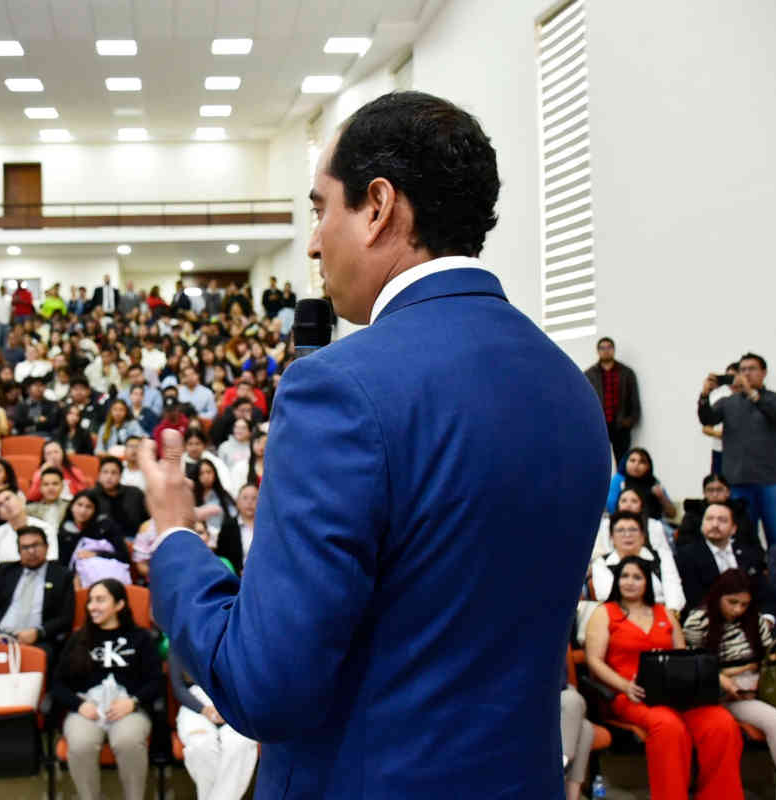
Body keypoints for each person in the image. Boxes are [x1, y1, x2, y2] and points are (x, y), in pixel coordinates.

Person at [141, 91, 611, 798]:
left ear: (378, 206)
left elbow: (266, 687)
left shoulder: (339, 390)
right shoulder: (570, 386)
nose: (310, 240)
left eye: (320, 207)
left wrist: (177, 541)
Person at [585, 557, 743, 800]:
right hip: (632, 695)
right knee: (669, 727)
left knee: (721, 724)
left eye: (637, 577)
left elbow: (684, 656)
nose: (630, 582)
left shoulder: (664, 613)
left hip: (676, 693)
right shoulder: (604, 613)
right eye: (625, 576)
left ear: (648, 582)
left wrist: (717, 679)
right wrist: (624, 686)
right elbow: (594, 662)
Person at [683, 569, 776, 800]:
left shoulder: (754, 619)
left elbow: (768, 658)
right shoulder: (698, 620)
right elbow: (692, 664)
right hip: (730, 693)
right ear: (718, 596)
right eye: (732, 602)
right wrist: (737, 672)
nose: (738, 609)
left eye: (744, 604)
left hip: (768, 688)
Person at [51, 579, 162, 800]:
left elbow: (155, 681)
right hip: (86, 707)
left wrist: (133, 702)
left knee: (127, 741)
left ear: (119, 605)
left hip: (129, 707)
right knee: (81, 744)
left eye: (100, 600)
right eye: (91, 600)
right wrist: (79, 705)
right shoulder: (78, 638)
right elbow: (57, 684)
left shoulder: (141, 638)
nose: (92, 605)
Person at [699, 353, 776, 548]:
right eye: (742, 370)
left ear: (764, 373)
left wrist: (752, 394)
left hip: (772, 482)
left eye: (752, 369)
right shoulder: (728, 402)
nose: (746, 374)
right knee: (742, 541)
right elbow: (707, 419)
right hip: (738, 482)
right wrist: (705, 395)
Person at [0, 526, 74, 666]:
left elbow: (66, 617)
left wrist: (38, 633)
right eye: (25, 547)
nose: (31, 551)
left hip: (38, 640)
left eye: (36, 545)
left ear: (47, 547)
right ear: (19, 552)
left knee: (45, 656)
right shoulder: (6, 571)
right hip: (0, 635)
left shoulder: (62, 575)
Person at [170, 648, 258, 800]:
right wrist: (204, 710)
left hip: (232, 703)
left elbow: (247, 681)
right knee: (201, 746)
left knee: (240, 743)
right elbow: (178, 688)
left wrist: (227, 707)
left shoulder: (235, 639)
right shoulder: (179, 640)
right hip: (195, 706)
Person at [676, 500, 772, 620]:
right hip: (709, 621)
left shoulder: (750, 554)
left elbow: (764, 591)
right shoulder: (686, 555)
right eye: (709, 519)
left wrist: (768, 618)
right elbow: (694, 599)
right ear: (702, 525)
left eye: (722, 520)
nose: (715, 524)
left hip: (752, 619)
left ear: (733, 529)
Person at [588, 510, 685, 615]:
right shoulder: (602, 562)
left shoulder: (661, 556)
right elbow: (605, 594)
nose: (627, 535)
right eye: (620, 530)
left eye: (633, 530)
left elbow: (673, 589)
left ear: (643, 535)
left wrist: (669, 615)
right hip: (619, 617)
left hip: (662, 615)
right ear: (612, 537)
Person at [584, 337, 641, 465]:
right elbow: (585, 403)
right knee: (597, 462)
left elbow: (634, 400)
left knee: (623, 463)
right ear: (597, 351)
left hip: (621, 426)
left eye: (609, 347)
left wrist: (630, 421)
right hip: (599, 427)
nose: (606, 351)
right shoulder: (589, 375)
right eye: (602, 348)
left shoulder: (626, 373)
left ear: (613, 350)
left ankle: (620, 486)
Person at [59, 489, 131, 588]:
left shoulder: (106, 526)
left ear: (95, 510)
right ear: (71, 506)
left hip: (108, 574)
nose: (83, 511)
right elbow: (63, 563)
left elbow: (124, 557)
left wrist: (96, 554)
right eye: (79, 505)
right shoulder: (64, 530)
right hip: (78, 579)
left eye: (88, 507)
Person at [0, 487, 55, 582]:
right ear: (0, 515)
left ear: (21, 500)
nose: (6, 504)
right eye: (0, 504)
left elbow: (51, 565)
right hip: (6, 587)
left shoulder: (46, 528)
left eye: (8, 498)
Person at [605, 447, 677, 521]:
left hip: (653, 524)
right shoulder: (619, 480)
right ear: (625, 462)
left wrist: (662, 498)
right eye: (632, 460)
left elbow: (672, 514)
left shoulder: (654, 482)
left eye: (642, 462)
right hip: (624, 522)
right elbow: (611, 508)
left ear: (648, 466)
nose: (636, 465)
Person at [93, 456, 149, 538]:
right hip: (100, 541)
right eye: (105, 472)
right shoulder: (91, 496)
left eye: (114, 473)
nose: (109, 476)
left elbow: (148, 520)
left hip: (133, 539)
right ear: (99, 474)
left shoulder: (135, 494)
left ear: (120, 476)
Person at [26, 465, 69, 534]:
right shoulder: (29, 510)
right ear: (40, 487)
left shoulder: (70, 507)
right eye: (46, 484)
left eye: (55, 484)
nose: (50, 488)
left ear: (62, 486)